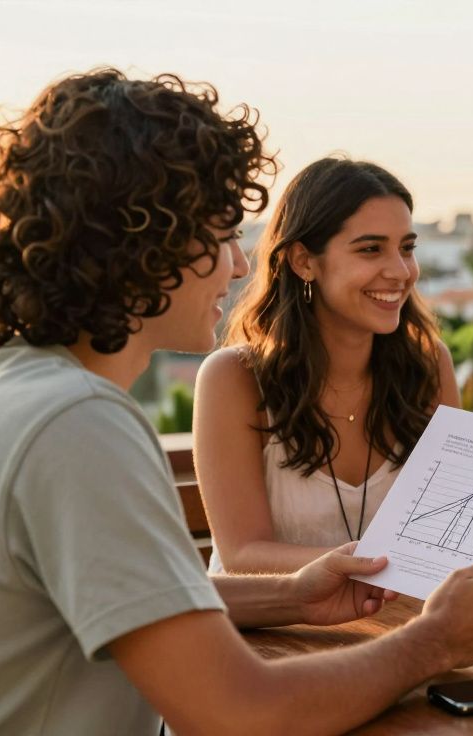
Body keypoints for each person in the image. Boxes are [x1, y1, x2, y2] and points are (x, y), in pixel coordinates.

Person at [0, 69, 473, 735]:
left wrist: (291, 594)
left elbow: (124, 602)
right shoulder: (77, 426)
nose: (238, 265)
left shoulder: (14, 391)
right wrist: (435, 642)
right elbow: (239, 712)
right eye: (219, 234)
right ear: (141, 240)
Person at [193, 157, 458, 573]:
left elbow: (450, 533)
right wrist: (384, 566)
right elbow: (243, 554)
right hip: (267, 633)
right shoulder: (235, 378)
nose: (400, 271)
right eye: (371, 249)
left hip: (399, 625)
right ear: (303, 261)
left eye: (407, 248)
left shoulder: (428, 365)